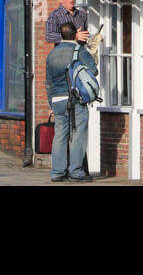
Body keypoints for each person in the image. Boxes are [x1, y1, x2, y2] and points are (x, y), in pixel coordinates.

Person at [45, 21, 97, 182]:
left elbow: (48, 82)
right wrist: (92, 51)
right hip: (75, 99)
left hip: (57, 100)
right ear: (75, 34)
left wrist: (51, 104)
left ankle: (57, 172)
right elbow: (93, 70)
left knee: (60, 134)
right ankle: (76, 171)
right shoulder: (78, 50)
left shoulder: (51, 54)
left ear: (61, 35)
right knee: (78, 135)